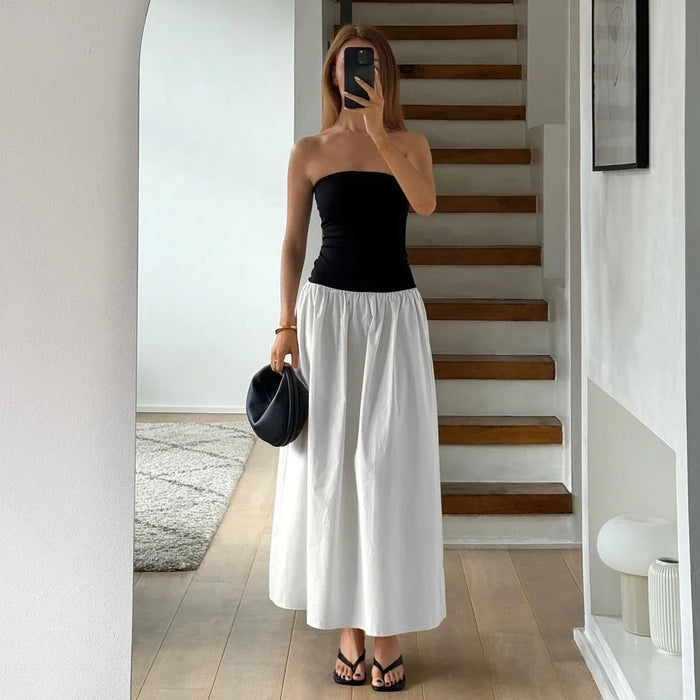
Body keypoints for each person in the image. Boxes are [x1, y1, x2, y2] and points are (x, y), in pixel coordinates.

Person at [267, 24, 446, 692]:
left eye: (364, 65)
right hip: (327, 317)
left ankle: (388, 627)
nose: (353, 75)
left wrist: (378, 134)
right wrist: (285, 324)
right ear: (332, 76)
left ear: (382, 73)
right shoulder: (309, 151)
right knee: (331, 469)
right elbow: (293, 242)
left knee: (387, 468)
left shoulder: (410, 143)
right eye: (345, 66)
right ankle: (348, 624)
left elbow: (424, 204)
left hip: (393, 317)